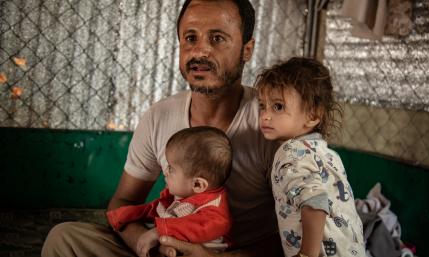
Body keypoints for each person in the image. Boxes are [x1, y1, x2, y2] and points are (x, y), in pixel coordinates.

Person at [42, 0, 283, 256]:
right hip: (166, 247)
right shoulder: (160, 116)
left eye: (217, 38)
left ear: (247, 49)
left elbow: (302, 234)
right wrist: (145, 244)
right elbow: (122, 202)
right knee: (65, 238)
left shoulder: (272, 123)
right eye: (190, 37)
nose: (200, 51)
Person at [255, 57, 366, 257]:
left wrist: (307, 254)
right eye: (263, 105)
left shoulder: (291, 152)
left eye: (278, 107)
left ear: (313, 116)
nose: (265, 115)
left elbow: (315, 201)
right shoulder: (327, 153)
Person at [106, 126, 233, 257]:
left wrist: (160, 231)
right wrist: (125, 215)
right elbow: (155, 208)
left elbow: (198, 226)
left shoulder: (215, 211)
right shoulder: (182, 195)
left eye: (171, 168)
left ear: (197, 184)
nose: (165, 172)